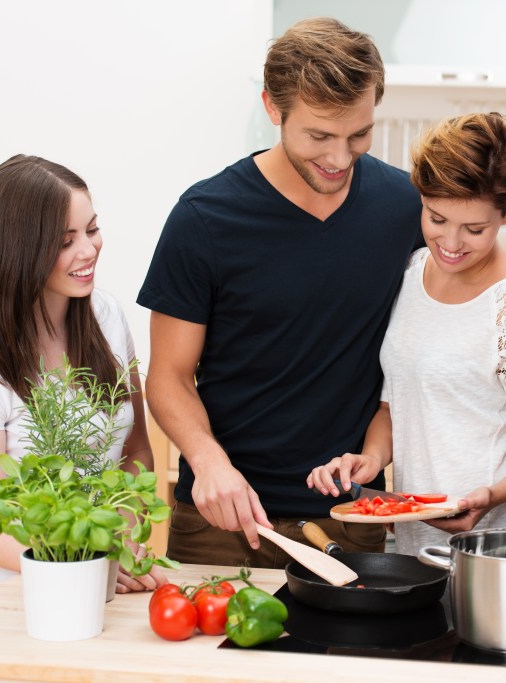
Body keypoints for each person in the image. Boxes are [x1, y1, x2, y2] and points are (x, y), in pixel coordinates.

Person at [137, 17, 422, 567]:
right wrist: (209, 462)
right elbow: (168, 378)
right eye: (319, 136)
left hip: (353, 519)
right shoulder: (204, 219)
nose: (340, 158)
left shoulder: (403, 207)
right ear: (272, 107)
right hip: (223, 522)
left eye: (358, 135)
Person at [308, 112, 506, 555]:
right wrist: (371, 459)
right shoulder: (411, 272)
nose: (452, 243)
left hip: (493, 554)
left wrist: (493, 496)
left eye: (474, 229)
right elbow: (394, 402)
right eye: (437, 218)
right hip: (412, 548)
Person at [0, 154, 167, 596]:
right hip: (9, 593)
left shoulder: (108, 317)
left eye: (92, 229)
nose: (89, 250)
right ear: (15, 248)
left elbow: (136, 449)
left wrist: (123, 535)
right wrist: (84, 562)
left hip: (100, 580)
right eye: (65, 241)